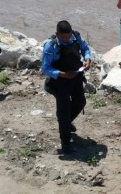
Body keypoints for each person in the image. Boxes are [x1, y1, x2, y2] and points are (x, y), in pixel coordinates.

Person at [41, 20, 92, 154]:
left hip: (75, 76)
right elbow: (45, 68)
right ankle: (65, 142)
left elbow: (85, 48)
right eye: (63, 37)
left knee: (80, 102)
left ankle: (65, 122)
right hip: (60, 82)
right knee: (64, 110)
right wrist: (63, 74)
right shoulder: (50, 46)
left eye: (68, 36)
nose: (66, 39)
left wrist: (87, 59)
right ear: (56, 33)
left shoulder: (76, 37)